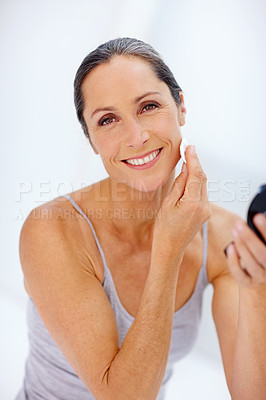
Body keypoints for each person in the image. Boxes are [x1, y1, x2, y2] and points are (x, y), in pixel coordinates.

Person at [16, 38, 266, 400]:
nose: (136, 137)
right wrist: (167, 250)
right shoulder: (52, 230)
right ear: (92, 140)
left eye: (148, 106)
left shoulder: (223, 237)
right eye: (108, 120)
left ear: (180, 106)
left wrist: (257, 287)